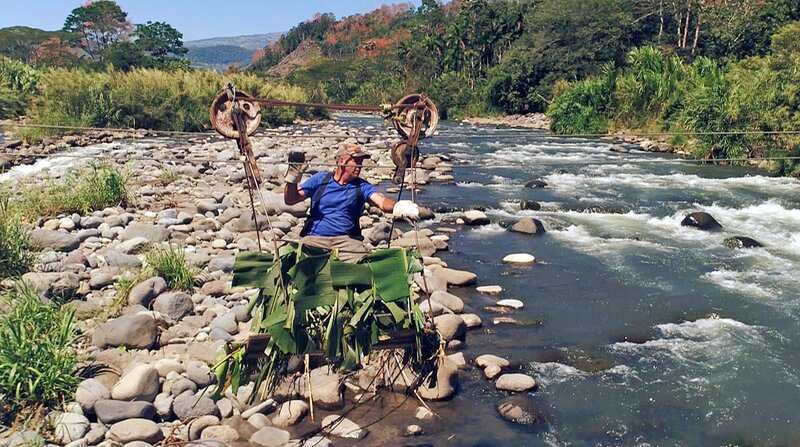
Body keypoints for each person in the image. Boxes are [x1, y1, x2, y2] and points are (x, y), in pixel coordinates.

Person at [284, 144, 420, 263]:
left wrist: (398, 207)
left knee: (362, 269)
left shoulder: (362, 186)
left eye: (361, 161)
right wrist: (293, 175)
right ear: (342, 161)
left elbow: (381, 201)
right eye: (356, 161)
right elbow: (291, 200)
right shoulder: (320, 180)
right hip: (315, 239)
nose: (360, 165)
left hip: (347, 242)